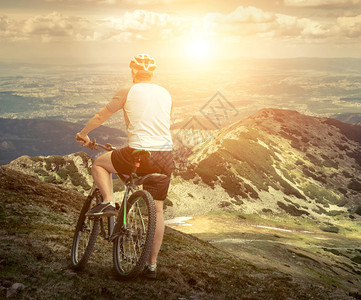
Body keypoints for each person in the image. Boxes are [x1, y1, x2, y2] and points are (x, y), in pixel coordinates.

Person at [75, 53, 173, 279]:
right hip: (166, 156)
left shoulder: (128, 90)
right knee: (157, 211)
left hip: (139, 152)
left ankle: (109, 202)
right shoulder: (166, 93)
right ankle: (151, 265)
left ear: (132, 72)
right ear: (153, 73)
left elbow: (102, 115)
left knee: (100, 164)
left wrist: (84, 134)